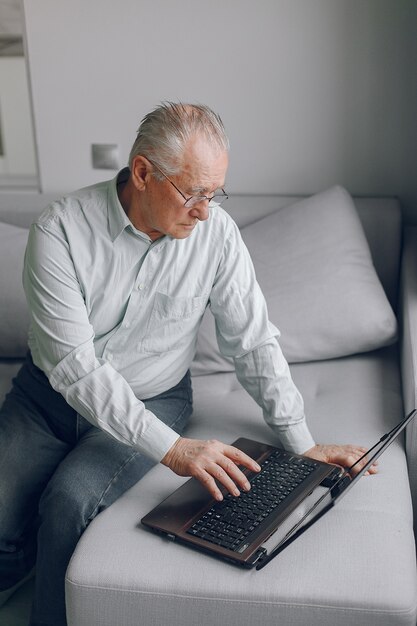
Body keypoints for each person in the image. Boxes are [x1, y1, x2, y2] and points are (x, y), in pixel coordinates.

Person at [0, 102, 376, 626]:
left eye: (215, 192)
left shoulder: (216, 235)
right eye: (193, 192)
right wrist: (174, 452)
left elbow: (253, 342)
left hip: (154, 397)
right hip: (46, 398)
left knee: (67, 502)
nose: (205, 210)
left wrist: (302, 443)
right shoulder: (59, 231)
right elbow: (76, 369)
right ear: (142, 172)